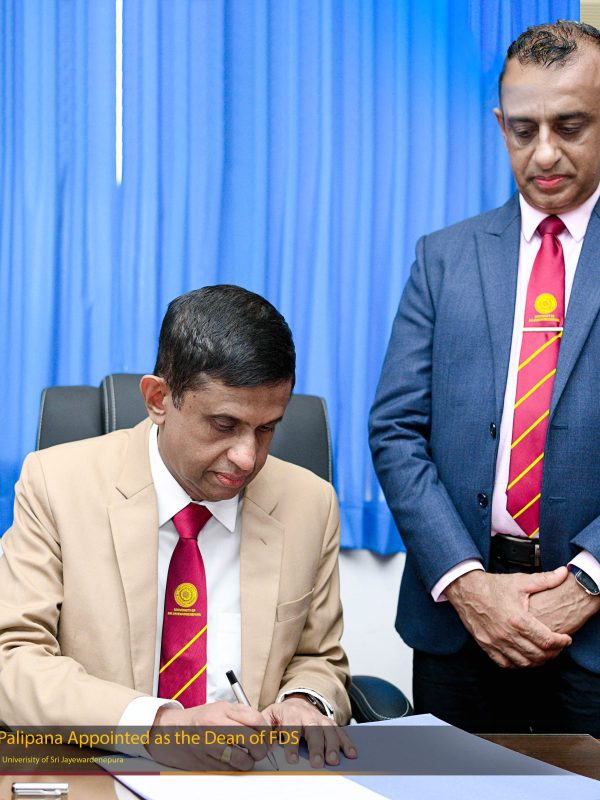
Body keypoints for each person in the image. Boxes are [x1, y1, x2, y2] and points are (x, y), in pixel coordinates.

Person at [0, 284, 353, 770]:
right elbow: (13, 660)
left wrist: (305, 701)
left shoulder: (310, 503)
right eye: (224, 425)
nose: (247, 457)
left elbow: (319, 658)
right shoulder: (57, 484)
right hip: (102, 767)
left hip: (249, 775)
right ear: (159, 399)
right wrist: (159, 726)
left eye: (267, 428)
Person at [369, 20, 600, 735]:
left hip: (593, 634)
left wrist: (589, 580)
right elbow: (396, 430)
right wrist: (465, 582)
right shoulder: (443, 258)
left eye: (571, 126)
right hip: (459, 628)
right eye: (523, 130)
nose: (545, 152)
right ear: (500, 125)